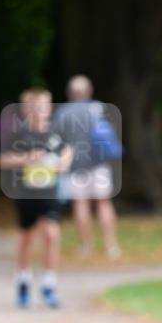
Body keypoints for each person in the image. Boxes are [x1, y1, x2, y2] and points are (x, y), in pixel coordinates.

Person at [0, 88, 73, 308]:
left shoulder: (56, 133)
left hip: (49, 193)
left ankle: (49, 284)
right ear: (25, 110)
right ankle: (23, 280)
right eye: (34, 106)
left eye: (43, 106)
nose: (39, 111)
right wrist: (27, 158)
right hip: (25, 194)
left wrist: (63, 162)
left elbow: (68, 150)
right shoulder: (17, 136)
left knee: (51, 233)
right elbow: (1, 160)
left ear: (49, 108)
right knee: (26, 237)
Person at [52, 75, 121, 260]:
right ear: (88, 91)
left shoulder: (63, 113)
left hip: (74, 166)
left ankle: (86, 246)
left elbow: (56, 140)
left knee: (80, 204)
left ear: (69, 93)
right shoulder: (98, 109)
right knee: (104, 202)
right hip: (99, 164)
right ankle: (111, 246)